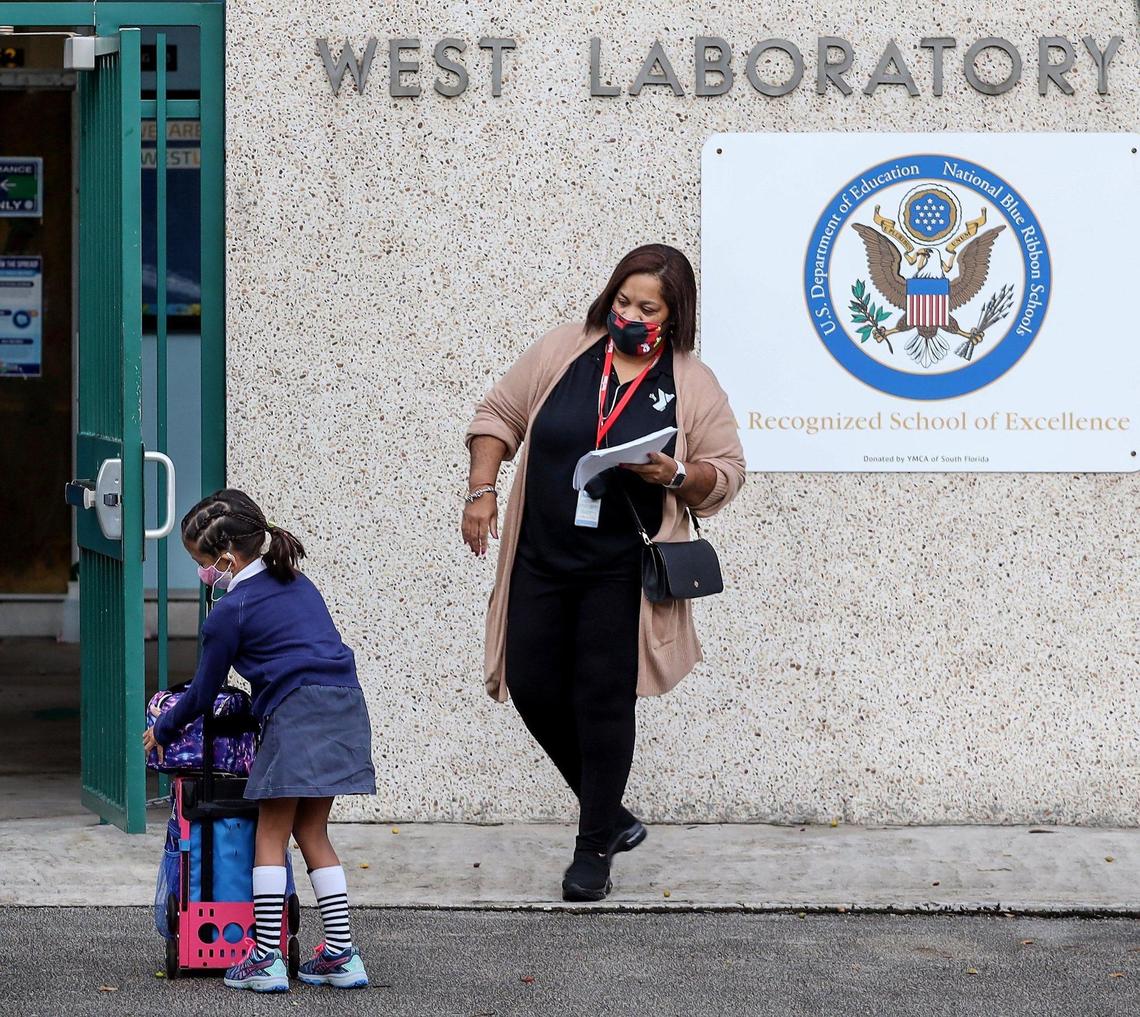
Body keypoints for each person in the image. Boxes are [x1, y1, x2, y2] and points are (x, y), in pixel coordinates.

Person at [462, 244, 745, 901]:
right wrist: (482, 489)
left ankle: (593, 847)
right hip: (540, 554)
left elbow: (724, 473)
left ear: (674, 316)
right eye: (623, 300)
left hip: (619, 570)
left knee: (602, 698)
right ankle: (611, 812)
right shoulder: (566, 349)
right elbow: (498, 415)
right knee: (529, 682)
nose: (630, 314)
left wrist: (674, 472)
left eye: (647, 307)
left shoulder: (690, 382)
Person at [142, 489, 376, 992]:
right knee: (312, 833)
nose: (202, 574)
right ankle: (341, 956)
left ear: (226, 558)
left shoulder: (230, 612)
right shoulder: (296, 581)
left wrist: (161, 730)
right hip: (344, 705)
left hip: (297, 713)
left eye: (201, 563)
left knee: (269, 833)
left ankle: (265, 958)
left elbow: (202, 694)